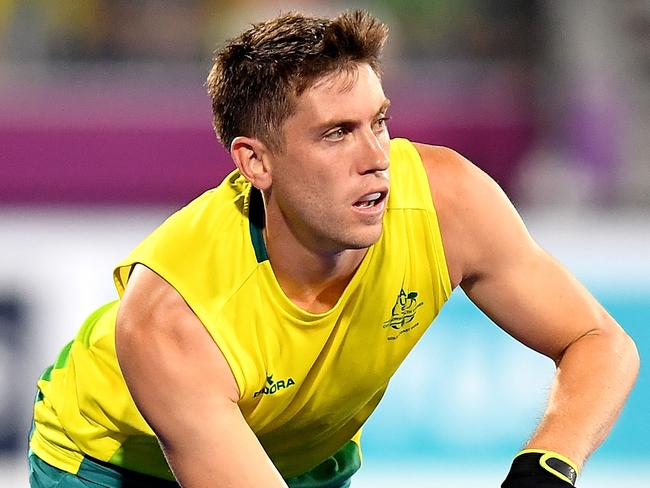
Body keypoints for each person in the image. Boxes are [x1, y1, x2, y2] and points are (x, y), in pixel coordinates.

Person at [28, 9, 639, 488]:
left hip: (308, 454)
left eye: (379, 121)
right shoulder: (172, 318)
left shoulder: (446, 202)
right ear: (256, 162)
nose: (376, 157)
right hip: (108, 464)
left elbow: (600, 343)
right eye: (337, 134)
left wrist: (547, 466)